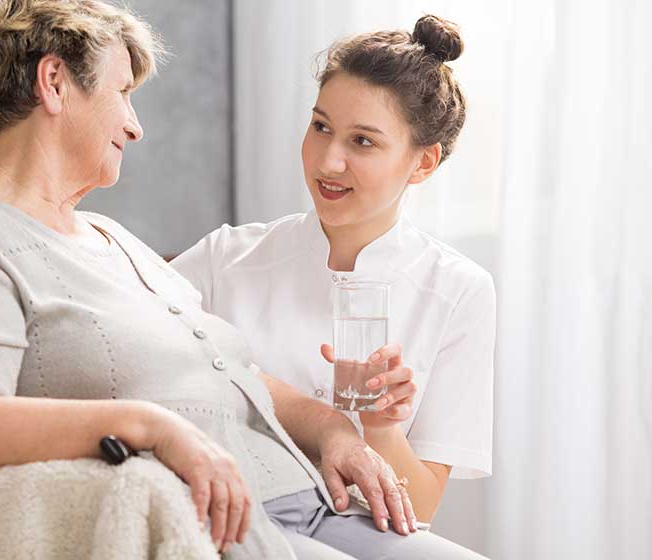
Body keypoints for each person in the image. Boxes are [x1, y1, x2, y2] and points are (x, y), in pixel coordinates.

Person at [0, 2, 486, 558]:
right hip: (222, 520)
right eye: (122, 92)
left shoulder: (113, 240)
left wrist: (332, 428)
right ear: (54, 83)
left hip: (305, 496)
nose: (135, 124)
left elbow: (222, 370)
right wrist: (152, 426)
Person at [173, 15, 497, 529]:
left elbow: (421, 507)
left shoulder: (457, 291)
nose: (329, 161)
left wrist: (382, 426)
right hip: (223, 519)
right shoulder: (225, 258)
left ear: (423, 163)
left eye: (363, 142)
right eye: (320, 126)